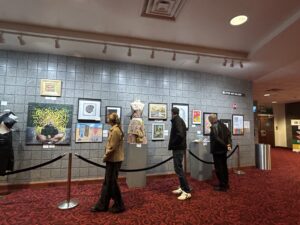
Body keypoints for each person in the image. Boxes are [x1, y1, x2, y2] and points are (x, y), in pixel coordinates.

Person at [91, 113, 125, 213]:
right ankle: (103, 204)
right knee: (108, 183)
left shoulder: (115, 131)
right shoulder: (116, 129)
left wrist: (105, 157)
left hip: (113, 160)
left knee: (111, 183)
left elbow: (112, 147)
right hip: (113, 159)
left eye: (108, 119)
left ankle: (119, 204)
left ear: (111, 121)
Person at [168, 107, 191, 200]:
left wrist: (174, 143)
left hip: (178, 148)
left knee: (178, 169)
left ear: (172, 112)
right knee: (178, 169)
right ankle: (182, 187)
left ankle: (186, 191)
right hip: (179, 148)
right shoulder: (179, 120)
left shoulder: (177, 120)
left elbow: (180, 134)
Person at [208, 114, 232, 192]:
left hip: (217, 151)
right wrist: (228, 147)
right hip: (223, 151)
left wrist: (225, 146)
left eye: (209, 120)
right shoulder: (223, 125)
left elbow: (217, 139)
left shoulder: (214, 127)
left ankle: (223, 185)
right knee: (224, 167)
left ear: (211, 120)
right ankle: (225, 184)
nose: (209, 122)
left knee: (219, 168)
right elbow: (229, 136)